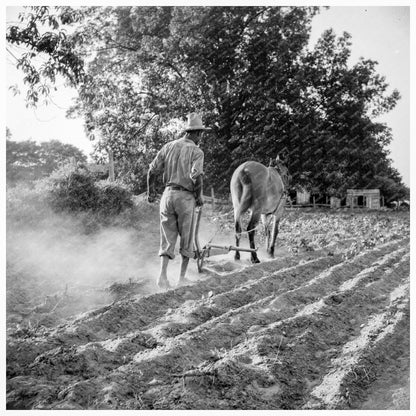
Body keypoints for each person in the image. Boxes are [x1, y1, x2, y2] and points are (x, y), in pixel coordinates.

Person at [147, 113, 210, 289]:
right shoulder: (197, 151)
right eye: (201, 134)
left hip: (167, 196)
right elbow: (196, 175)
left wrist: (150, 192)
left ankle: (162, 277)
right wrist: (198, 197)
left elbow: (151, 171)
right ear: (196, 133)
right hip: (185, 197)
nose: (201, 138)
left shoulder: (168, 147)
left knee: (167, 237)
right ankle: (181, 278)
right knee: (187, 238)